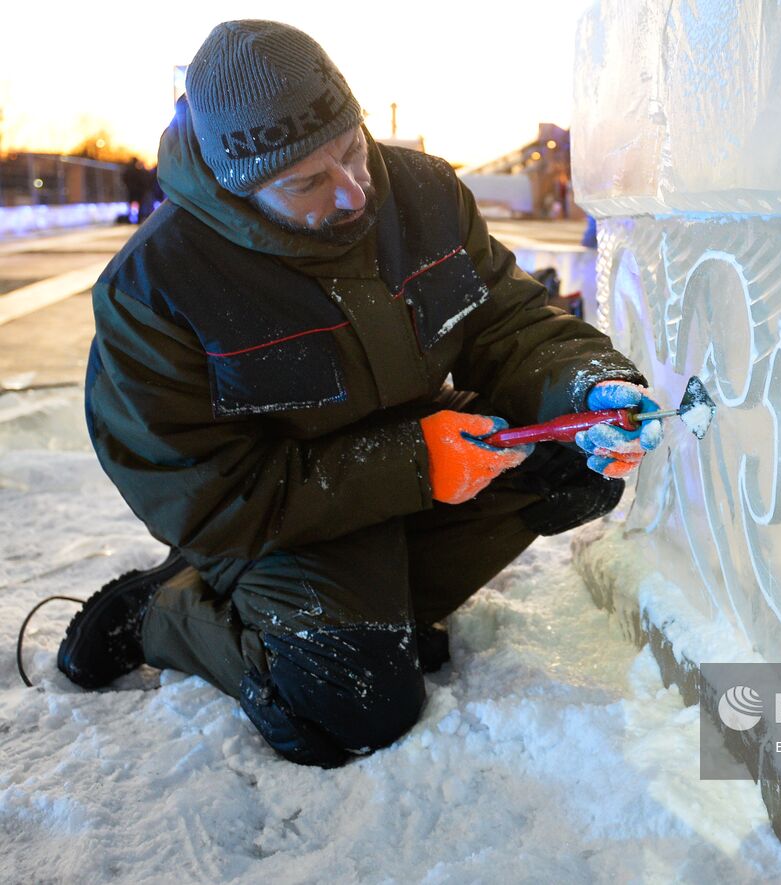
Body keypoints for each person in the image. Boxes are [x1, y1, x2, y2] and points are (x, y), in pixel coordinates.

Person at [56, 20, 662, 768]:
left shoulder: (423, 193)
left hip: (410, 468)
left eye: (351, 149)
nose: (352, 190)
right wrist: (413, 463)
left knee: (578, 458)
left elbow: (505, 320)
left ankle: (373, 614)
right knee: (353, 703)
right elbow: (209, 497)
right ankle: (165, 611)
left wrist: (586, 385)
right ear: (235, 185)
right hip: (284, 524)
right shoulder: (155, 290)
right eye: (307, 182)